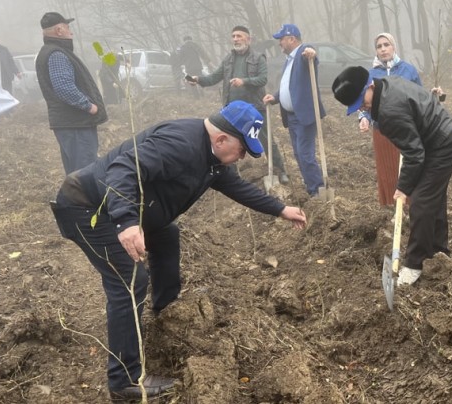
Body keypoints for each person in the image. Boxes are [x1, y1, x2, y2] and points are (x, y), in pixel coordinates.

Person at [49, 100, 308, 400]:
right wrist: (126, 222)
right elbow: (123, 169)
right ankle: (125, 381)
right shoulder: (181, 144)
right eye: (241, 150)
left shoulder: (211, 158)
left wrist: (280, 209)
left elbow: (238, 188)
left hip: (113, 208)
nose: (240, 158)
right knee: (129, 281)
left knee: (167, 234)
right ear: (222, 138)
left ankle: (167, 311)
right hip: (87, 207)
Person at [332, 66, 452, 286]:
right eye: (356, 106)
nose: (362, 107)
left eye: (361, 100)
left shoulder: (389, 111)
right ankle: (439, 252)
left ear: (370, 85)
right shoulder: (386, 84)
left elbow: (414, 153)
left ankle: (414, 264)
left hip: (441, 144)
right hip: (434, 139)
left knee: (420, 202)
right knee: (433, 199)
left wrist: (402, 188)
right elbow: (414, 146)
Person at [187, 25, 289, 183]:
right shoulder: (228, 59)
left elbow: (263, 79)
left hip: (254, 108)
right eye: (233, 36)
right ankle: (231, 175)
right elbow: (214, 77)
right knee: (229, 141)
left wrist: (244, 81)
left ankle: (280, 170)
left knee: (265, 139)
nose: (236, 39)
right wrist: (198, 79)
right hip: (232, 111)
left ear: (248, 39)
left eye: (239, 36)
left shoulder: (258, 57)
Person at [359, 32, 445, 206]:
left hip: (406, 128)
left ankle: (409, 205)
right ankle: (391, 207)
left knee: (408, 166)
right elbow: (366, 102)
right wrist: (364, 118)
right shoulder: (371, 74)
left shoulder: (408, 70)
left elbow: (418, 96)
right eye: (379, 46)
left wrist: (434, 95)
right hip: (382, 130)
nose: (383, 49)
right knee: (387, 169)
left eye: (386, 44)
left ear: (393, 47)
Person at [35, 12, 108, 175]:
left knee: (76, 172)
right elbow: (64, 87)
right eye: (68, 27)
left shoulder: (51, 51)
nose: (71, 32)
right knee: (85, 172)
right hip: (75, 123)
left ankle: (76, 200)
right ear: (59, 30)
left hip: (71, 123)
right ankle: (86, 201)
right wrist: (89, 106)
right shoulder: (57, 54)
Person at [263, 24, 326, 197]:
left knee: (305, 155)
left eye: (281, 39)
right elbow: (288, 87)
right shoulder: (288, 61)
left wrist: (312, 53)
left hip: (304, 114)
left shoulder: (302, 52)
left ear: (292, 39)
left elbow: (310, 53)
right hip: (291, 117)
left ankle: (319, 192)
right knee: (299, 154)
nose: (279, 43)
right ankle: (311, 187)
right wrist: (275, 97)